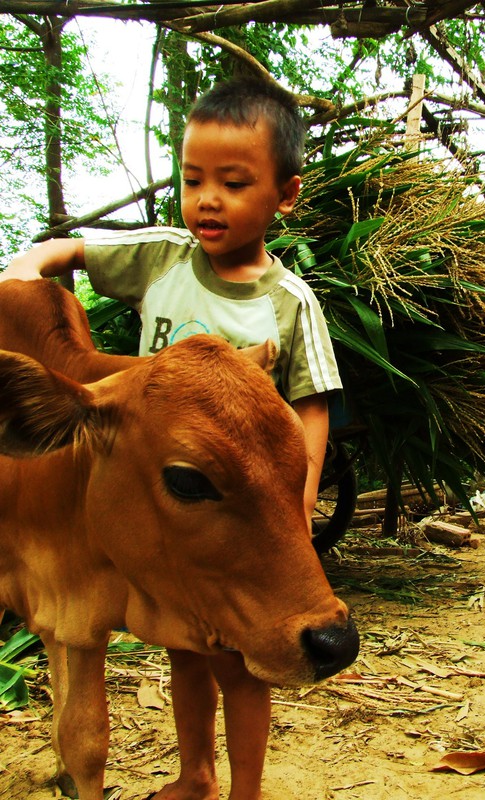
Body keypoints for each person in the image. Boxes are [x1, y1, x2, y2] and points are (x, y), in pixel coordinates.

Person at [1, 77, 341, 800]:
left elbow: (311, 405)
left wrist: (300, 498)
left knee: (244, 668)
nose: (208, 199)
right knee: (186, 656)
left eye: (234, 183)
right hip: (165, 500)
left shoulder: (291, 300)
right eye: (192, 181)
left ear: (285, 195)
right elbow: (72, 252)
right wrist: (25, 271)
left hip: (239, 504)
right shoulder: (162, 256)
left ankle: (245, 790)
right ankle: (197, 776)